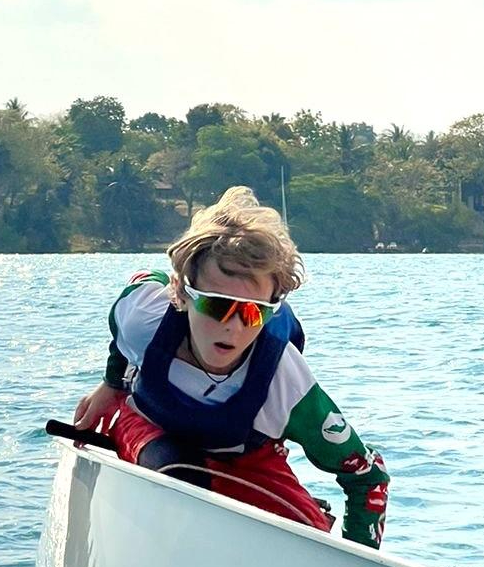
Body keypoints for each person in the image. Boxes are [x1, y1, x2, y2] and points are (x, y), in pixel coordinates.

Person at [74, 186, 390, 547]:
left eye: (253, 312)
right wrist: (112, 386)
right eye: (216, 305)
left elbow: (369, 478)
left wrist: (356, 566)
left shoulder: (286, 386)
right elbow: (126, 317)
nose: (234, 327)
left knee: (311, 538)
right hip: (151, 428)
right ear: (181, 294)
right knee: (181, 478)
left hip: (246, 457)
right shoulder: (143, 318)